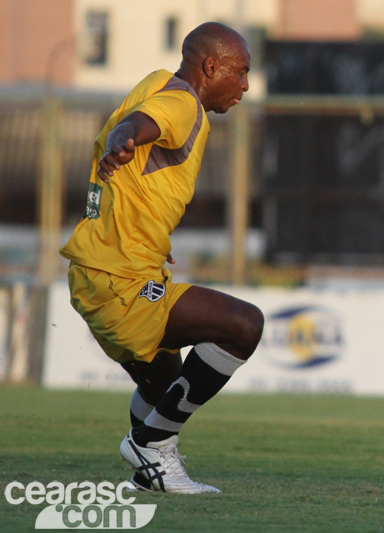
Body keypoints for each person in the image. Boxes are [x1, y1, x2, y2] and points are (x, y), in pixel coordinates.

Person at [60, 22, 263, 494]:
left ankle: (152, 471)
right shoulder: (183, 102)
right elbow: (140, 126)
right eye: (242, 72)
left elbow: (137, 147)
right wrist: (125, 138)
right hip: (121, 280)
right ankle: (151, 444)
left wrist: (145, 227)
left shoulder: (155, 81)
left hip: (98, 271)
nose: (246, 86)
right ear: (211, 67)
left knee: (164, 387)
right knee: (243, 325)